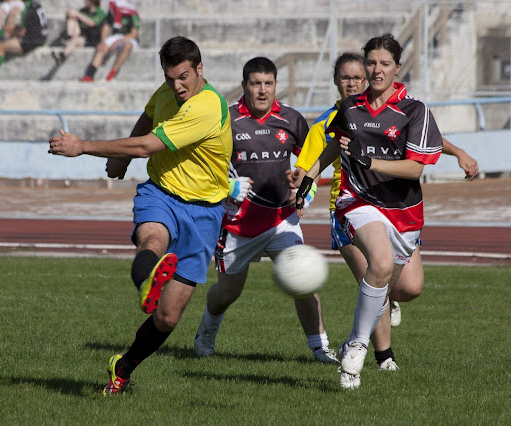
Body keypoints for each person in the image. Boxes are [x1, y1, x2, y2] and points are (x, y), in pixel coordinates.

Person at [49, 36, 233, 395]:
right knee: (152, 239)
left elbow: (150, 143)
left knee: (167, 317)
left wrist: (83, 146)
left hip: (206, 213)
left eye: (183, 77)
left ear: (200, 69)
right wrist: (122, 158)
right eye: (169, 78)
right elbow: (148, 117)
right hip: (161, 193)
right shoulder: (166, 93)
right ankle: (148, 278)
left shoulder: (208, 106)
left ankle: (124, 366)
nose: (177, 86)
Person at [293, 52, 480, 379]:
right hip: (350, 206)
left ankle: (371, 323)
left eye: (357, 78)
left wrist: (459, 152)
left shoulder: (402, 110)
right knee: (377, 268)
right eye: (344, 77)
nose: (351, 83)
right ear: (336, 81)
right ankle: (377, 357)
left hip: (396, 208)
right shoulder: (333, 117)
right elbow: (312, 161)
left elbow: (423, 140)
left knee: (408, 287)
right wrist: (304, 185)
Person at [193, 57, 338, 364]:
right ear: (244, 85)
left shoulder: (292, 119)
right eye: (255, 83)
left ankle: (320, 348)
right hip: (237, 225)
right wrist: (226, 188)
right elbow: (203, 166)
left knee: (304, 282)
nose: (262, 90)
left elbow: (313, 164)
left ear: (276, 85)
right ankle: (207, 328)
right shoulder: (226, 120)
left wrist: (305, 191)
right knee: (229, 292)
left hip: (281, 222)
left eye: (268, 83)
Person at [79, 0, 139, 82]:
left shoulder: (132, 14)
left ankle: (111, 74)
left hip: (127, 38)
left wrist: (119, 40)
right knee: (101, 47)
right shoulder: (113, 11)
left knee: (127, 46)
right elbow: (106, 26)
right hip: (115, 36)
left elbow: (134, 34)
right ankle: (90, 75)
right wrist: (103, 41)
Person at [0, 0, 47, 81]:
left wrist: (10, 34)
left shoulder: (27, 9)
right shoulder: (36, 5)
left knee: (1, 46)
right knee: (7, 36)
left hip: (31, 41)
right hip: (41, 38)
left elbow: (22, 32)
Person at [51, 0, 106, 66]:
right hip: (81, 34)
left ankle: (63, 55)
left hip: (92, 39)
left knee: (75, 41)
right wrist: (71, 13)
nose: (85, 1)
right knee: (72, 18)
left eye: (87, 0)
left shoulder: (100, 12)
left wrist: (77, 14)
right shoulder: (83, 11)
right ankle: (68, 37)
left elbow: (92, 23)